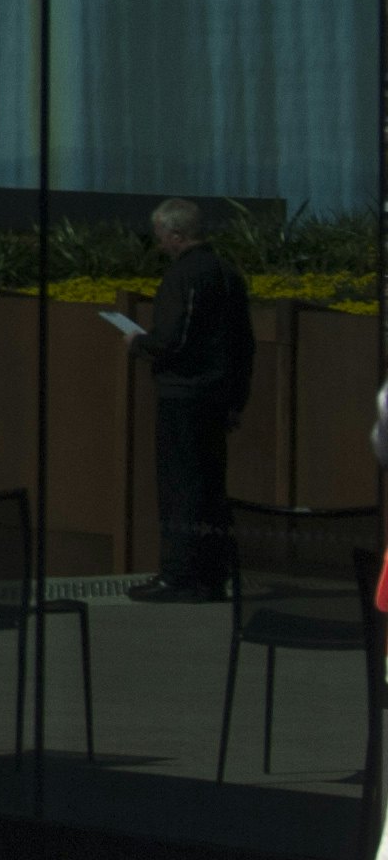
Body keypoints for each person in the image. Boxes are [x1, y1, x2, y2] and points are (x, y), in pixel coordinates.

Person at [129, 197, 254, 602]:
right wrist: (237, 399)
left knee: (179, 485)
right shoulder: (227, 273)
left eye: (162, 235)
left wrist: (140, 342)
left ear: (177, 234)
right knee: (210, 486)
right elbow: (243, 344)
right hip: (218, 395)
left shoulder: (185, 275)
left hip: (184, 395)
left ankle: (178, 575)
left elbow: (175, 339)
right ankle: (212, 575)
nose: (160, 242)